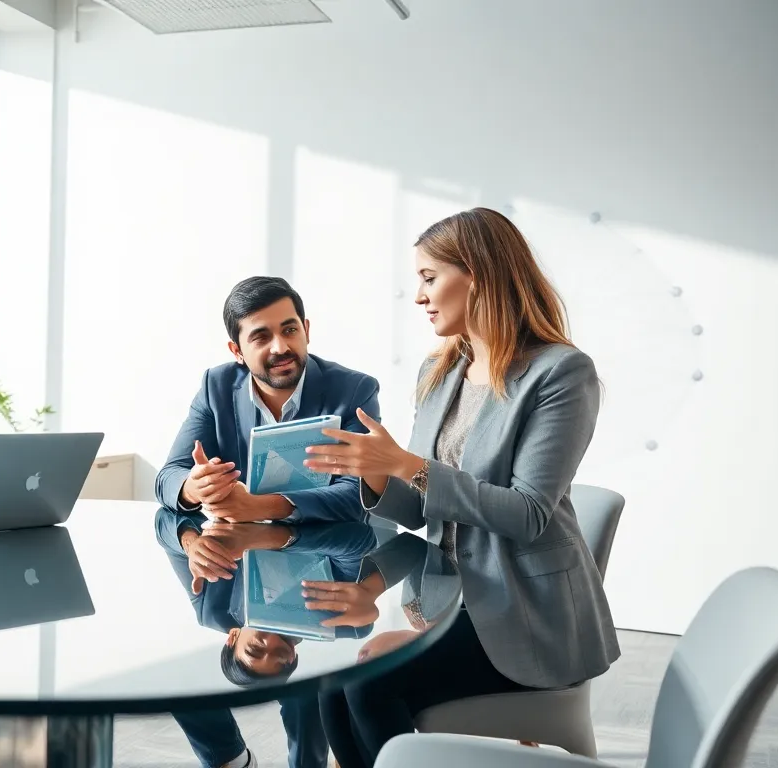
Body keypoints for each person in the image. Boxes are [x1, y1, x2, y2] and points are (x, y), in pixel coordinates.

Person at [300, 207, 620, 767]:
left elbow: (528, 514)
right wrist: (375, 472)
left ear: (477, 274)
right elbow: (422, 512)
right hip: (450, 601)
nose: (419, 296)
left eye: (430, 277)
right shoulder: (440, 371)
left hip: (527, 618)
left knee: (369, 687)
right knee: (332, 683)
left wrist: (407, 464)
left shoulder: (561, 373)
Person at [153, 508, 376, 768]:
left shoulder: (213, 607)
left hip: (243, 500)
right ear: (293, 655)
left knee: (180, 683)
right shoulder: (344, 621)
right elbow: (358, 538)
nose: (272, 641)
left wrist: (190, 543)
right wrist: (274, 537)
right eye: (281, 652)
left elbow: (164, 519)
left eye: (256, 648)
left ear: (233, 636)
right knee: (306, 696)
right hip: (328, 504)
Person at [155, 276, 381, 530]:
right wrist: (194, 487)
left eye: (290, 330)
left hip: (328, 547)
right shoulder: (216, 387)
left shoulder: (354, 390)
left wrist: (263, 506)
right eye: (261, 337)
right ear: (237, 351)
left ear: (306, 331)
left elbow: (358, 494)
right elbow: (169, 476)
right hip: (238, 546)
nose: (280, 348)